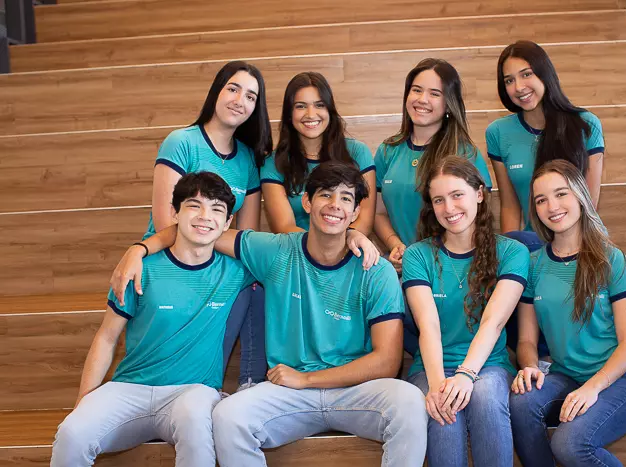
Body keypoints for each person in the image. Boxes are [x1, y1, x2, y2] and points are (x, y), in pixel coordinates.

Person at [110, 162, 427, 467]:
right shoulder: (277, 250)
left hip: (354, 391)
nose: (335, 205)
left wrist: (307, 379)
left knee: (410, 402)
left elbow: (387, 361)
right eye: (326, 195)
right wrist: (139, 248)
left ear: (356, 212)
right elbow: (199, 231)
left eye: (346, 199)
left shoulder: (376, 270)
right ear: (307, 202)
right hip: (289, 394)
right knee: (227, 417)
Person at [51, 172, 255, 467]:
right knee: (72, 433)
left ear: (227, 224)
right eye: (194, 205)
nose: (204, 216)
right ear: (175, 213)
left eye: (216, 209)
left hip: (192, 392)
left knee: (197, 423)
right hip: (130, 388)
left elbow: (288, 260)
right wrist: (84, 402)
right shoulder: (139, 269)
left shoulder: (236, 271)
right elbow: (107, 337)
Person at [510, 160, 626, 467]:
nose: (552, 206)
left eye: (561, 194)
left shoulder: (612, 259)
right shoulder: (532, 264)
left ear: (580, 195)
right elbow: (526, 341)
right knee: (521, 401)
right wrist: (530, 366)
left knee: (569, 444)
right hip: (566, 376)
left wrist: (593, 388)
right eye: (541, 200)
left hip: (623, 379)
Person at [146, 60, 273, 387]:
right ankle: (202, 383)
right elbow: (165, 222)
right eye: (233, 89)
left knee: (260, 276)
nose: (240, 100)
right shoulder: (181, 142)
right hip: (172, 253)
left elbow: (245, 235)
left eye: (251, 96)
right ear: (217, 91)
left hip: (217, 255)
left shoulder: (247, 158)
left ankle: (250, 385)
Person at [403, 155, 528, 466]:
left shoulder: (512, 252)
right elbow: (428, 325)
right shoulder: (418, 255)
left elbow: (493, 322)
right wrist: (437, 386)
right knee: (443, 411)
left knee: (486, 398)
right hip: (431, 367)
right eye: (439, 200)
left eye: (457, 195)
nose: (449, 208)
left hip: (487, 365)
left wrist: (466, 374)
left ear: (479, 194)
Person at [374, 58, 493, 275]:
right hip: (402, 268)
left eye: (435, 94)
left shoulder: (465, 153)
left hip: (452, 269)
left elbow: (480, 218)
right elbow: (378, 212)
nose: (422, 99)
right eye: (416, 90)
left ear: (449, 103)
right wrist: (396, 245)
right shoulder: (387, 150)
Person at [486, 40, 605, 245]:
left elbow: (589, 204)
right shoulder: (497, 132)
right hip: (534, 244)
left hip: (582, 240)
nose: (519, 87)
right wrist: (510, 252)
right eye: (509, 80)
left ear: (544, 74)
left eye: (526, 74)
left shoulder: (586, 124)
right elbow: (510, 206)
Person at [261, 71, 376, 235]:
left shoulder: (358, 152)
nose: (310, 114)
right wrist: (320, 248)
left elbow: (364, 221)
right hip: (297, 248)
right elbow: (284, 227)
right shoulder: (273, 162)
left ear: (330, 110)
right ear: (289, 114)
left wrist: (336, 246)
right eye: (300, 106)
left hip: (349, 246)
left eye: (319, 105)